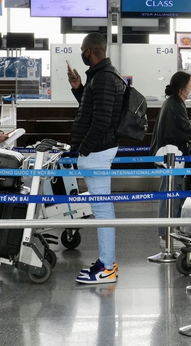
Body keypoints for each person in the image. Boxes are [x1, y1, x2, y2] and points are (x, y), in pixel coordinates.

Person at [69, 33, 125, 284]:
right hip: (98, 150)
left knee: (102, 210)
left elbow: (101, 121)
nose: (81, 54)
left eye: (82, 50)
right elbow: (93, 110)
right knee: (103, 209)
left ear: (89, 51)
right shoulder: (101, 76)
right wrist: (79, 88)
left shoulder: (103, 78)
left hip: (97, 152)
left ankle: (107, 267)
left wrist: (84, 149)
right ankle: (106, 262)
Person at [147, 71, 191, 262]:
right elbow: (183, 128)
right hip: (171, 158)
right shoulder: (175, 105)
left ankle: (169, 236)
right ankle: (167, 237)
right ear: (182, 88)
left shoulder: (172, 103)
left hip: (168, 156)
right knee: (171, 195)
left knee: (170, 194)